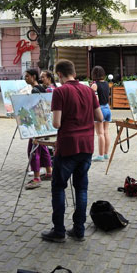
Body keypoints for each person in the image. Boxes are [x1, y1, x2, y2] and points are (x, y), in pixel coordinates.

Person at [41, 59, 103, 242]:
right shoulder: (88, 90)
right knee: (81, 188)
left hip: (67, 146)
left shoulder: (60, 92)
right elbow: (99, 117)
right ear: (74, 72)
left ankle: (59, 231)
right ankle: (79, 230)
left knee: (59, 188)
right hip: (86, 146)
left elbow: (57, 123)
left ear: (59, 74)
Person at [24, 68, 52, 189]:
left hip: (37, 124)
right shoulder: (42, 88)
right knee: (43, 147)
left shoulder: (35, 90)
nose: (25, 78)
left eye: (27, 76)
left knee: (33, 148)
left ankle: (36, 177)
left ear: (33, 77)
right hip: (44, 123)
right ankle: (49, 172)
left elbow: (35, 108)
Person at [90, 66, 111, 162]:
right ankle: (106, 154)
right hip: (107, 108)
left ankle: (100, 155)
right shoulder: (107, 83)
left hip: (100, 109)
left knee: (100, 133)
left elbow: (93, 98)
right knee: (106, 131)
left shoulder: (95, 85)